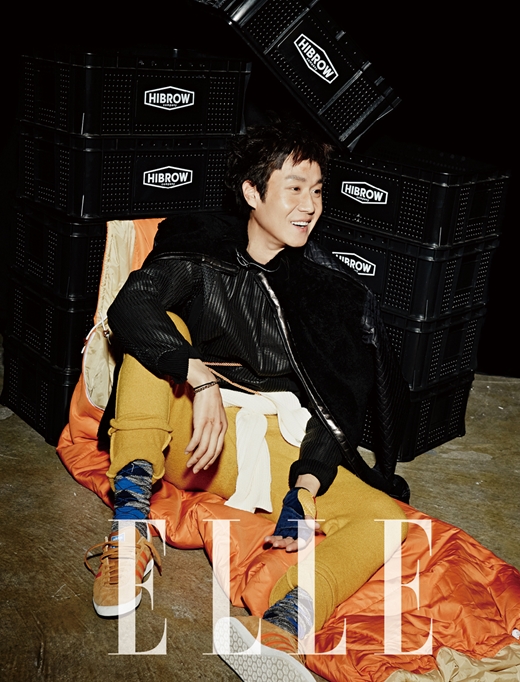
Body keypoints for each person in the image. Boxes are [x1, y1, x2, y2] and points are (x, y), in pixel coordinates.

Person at [85, 122, 410, 681]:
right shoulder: (200, 249)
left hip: (265, 446)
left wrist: (305, 488)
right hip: (187, 434)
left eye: (317, 191)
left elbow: (336, 403)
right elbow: (132, 306)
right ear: (252, 192)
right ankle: (129, 531)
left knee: (386, 519)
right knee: (155, 337)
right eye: (294, 189)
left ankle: (283, 626)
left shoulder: (328, 290)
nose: (309, 206)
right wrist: (199, 377)